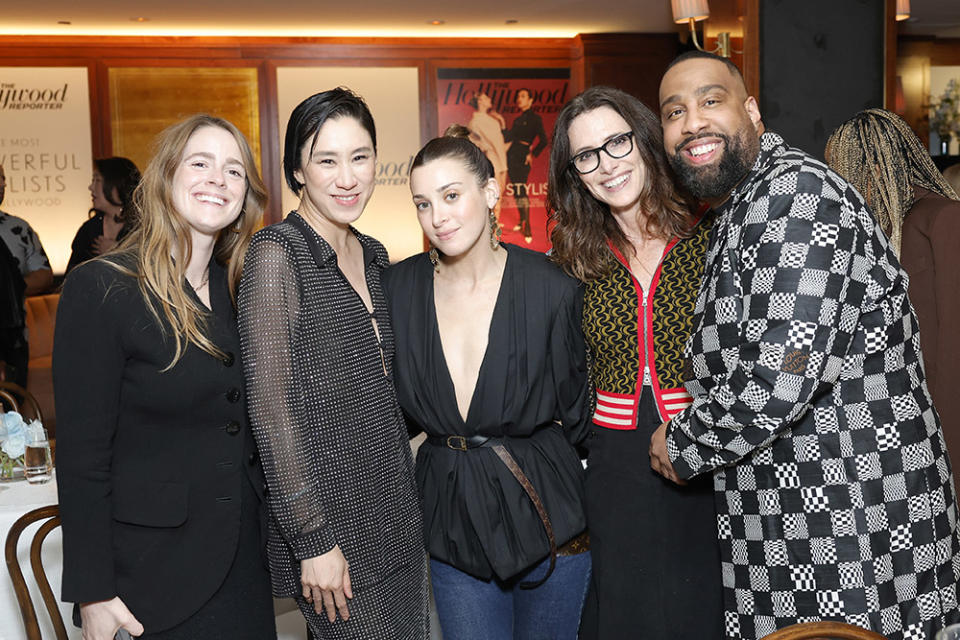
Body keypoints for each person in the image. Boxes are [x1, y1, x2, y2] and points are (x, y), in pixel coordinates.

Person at [652, 50, 960, 640]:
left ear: (752, 111)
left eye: (710, 101)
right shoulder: (742, 208)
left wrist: (683, 442)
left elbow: (780, 377)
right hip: (795, 524)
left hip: (854, 530)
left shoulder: (797, 198)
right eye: (674, 112)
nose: (691, 122)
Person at [54, 114, 275, 639]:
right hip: (148, 578)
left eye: (234, 171)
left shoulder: (244, 290)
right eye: (200, 163)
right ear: (165, 176)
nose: (217, 179)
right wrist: (93, 592)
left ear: (246, 196)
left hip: (243, 564)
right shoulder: (102, 290)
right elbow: (83, 457)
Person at [383, 125, 592, 640]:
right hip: (449, 520)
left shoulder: (553, 287)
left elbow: (581, 416)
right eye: (423, 204)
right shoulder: (397, 288)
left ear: (491, 192)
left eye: (451, 196)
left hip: (547, 518)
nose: (439, 217)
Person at [238, 88, 428, 639]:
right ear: (298, 171)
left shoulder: (372, 253)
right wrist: (312, 538)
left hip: (395, 509)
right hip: (332, 527)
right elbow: (271, 413)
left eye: (360, 157)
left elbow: (382, 392)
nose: (347, 177)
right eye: (326, 160)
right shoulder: (277, 255)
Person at [547, 85, 723, 640]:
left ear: (645, 140)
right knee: (627, 612)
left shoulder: (712, 234)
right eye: (587, 156)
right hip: (614, 465)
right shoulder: (573, 258)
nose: (607, 165)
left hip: (708, 454)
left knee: (705, 610)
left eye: (617, 143)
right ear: (575, 172)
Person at [826, 108, 960, 489]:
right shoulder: (878, 235)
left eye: (843, 170)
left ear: (875, 171)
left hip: (942, 439)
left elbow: (953, 352)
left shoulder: (944, 219)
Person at [0, 163, 53, 387]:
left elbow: (44, 274)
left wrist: (10, 286)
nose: (3, 184)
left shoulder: (18, 228)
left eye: (3, 177)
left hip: (14, 342)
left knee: (14, 415)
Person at [66, 156, 141, 273]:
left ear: (116, 185)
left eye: (97, 181)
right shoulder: (89, 229)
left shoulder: (143, 226)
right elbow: (71, 275)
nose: (91, 187)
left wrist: (118, 252)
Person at [503, 88, 548, 242]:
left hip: (522, 157)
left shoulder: (536, 119)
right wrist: (500, 123)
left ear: (530, 100)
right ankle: (521, 219)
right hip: (511, 156)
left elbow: (544, 140)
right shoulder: (517, 120)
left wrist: (532, 154)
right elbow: (508, 136)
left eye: (522, 96)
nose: (519, 99)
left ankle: (527, 226)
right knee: (516, 189)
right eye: (518, 96)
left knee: (521, 190)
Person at [467, 92, 509, 219]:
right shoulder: (475, 122)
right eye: (486, 98)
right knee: (493, 193)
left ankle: (495, 224)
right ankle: (491, 226)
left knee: (500, 192)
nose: (489, 99)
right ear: (479, 101)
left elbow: (499, 140)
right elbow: (476, 142)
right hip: (492, 158)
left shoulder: (491, 119)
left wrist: (501, 122)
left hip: (501, 158)